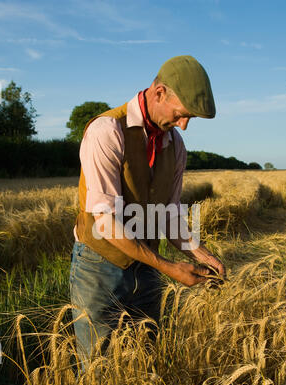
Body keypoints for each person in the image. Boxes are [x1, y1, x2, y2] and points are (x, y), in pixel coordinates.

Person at [69, 55, 226, 366]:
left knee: (147, 361)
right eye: (182, 114)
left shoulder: (175, 146)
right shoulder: (107, 131)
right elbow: (105, 223)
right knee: (100, 370)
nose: (184, 125)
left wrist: (200, 254)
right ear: (159, 93)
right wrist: (169, 267)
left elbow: (168, 213)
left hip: (148, 268)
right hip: (100, 268)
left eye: (189, 119)